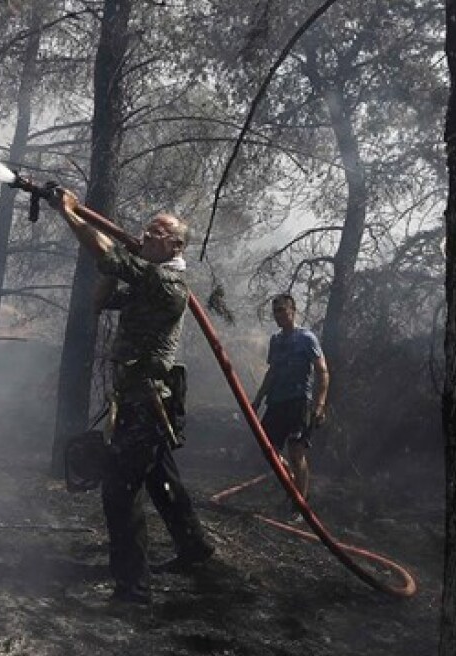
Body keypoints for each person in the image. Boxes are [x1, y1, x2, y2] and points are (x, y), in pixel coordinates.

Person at [48, 189, 213, 604]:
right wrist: (116, 264)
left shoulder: (168, 283)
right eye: (147, 228)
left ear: (175, 244)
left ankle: (134, 589)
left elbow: (108, 254)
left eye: (156, 231)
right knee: (161, 478)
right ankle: (195, 548)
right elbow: (100, 300)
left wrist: (69, 213)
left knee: (120, 491)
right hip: (139, 398)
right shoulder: (147, 278)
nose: (146, 233)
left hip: (148, 401)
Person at [251, 294, 330, 516]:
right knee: (270, 450)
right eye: (275, 311)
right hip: (276, 401)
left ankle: (299, 506)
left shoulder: (307, 338)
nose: (279, 315)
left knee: (296, 451)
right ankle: (294, 483)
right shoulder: (276, 340)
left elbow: (323, 372)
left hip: (299, 401)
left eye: (282, 310)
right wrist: (257, 399)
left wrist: (320, 404)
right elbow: (272, 372)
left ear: (293, 311)